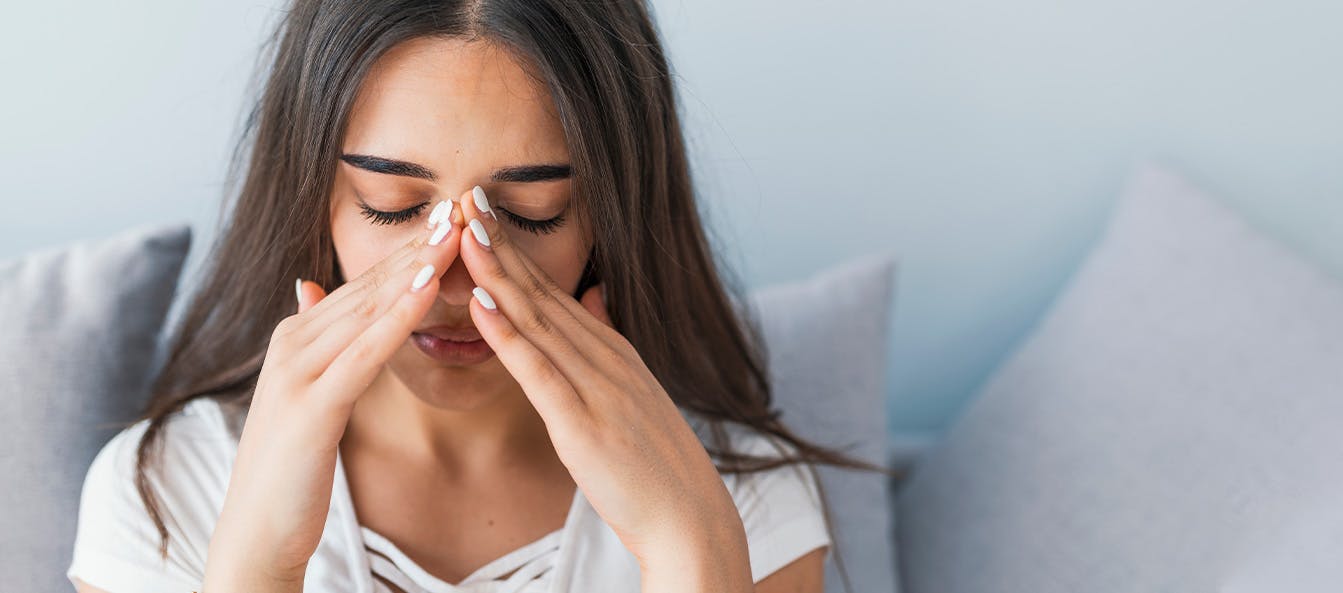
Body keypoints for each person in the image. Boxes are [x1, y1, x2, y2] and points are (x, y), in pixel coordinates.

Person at [67, 1, 878, 591]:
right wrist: (258, 563)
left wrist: (689, 550)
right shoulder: (169, 486)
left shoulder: (736, 496)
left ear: (611, 214)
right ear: (314, 194)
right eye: (393, 204)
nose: (454, 278)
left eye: (530, 214)